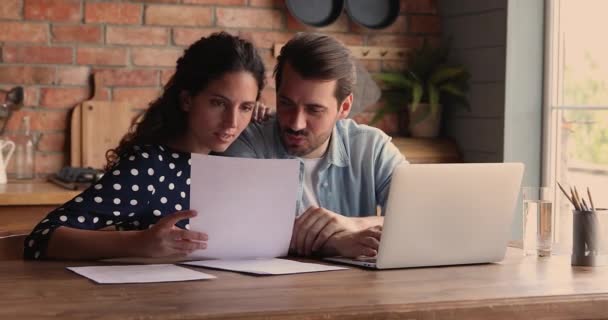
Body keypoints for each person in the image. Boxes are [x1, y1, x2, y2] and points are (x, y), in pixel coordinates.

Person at [24, 32, 266, 260]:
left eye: (245, 107)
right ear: (186, 100)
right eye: (218, 103)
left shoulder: (233, 160)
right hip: (155, 302)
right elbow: (42, 238)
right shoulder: (150, 167)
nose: (232, 123)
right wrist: (137, 243)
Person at [222, 32, 407, 258]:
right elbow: (237, 226)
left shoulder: (372, 147)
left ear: (344, 107)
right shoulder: (249, 141)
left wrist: (353, 224)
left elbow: (420, 216)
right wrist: (337, 242)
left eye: (314, 110)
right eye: (286, 104)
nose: (296, 123)